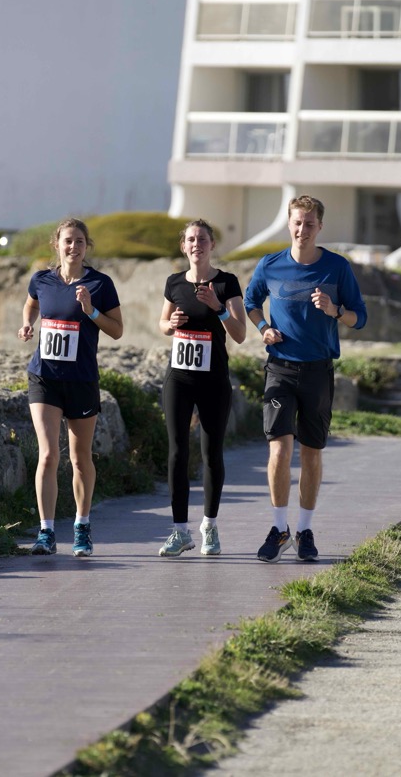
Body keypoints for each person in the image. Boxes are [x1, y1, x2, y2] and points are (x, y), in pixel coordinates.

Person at [243, 195, 368, 563]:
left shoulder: (337, 267)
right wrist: (263, 328)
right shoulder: (270, 264)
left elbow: (360, 317)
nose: (302, 230)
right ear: (289, 223)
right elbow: (251, 303)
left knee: (311, 453)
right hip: (280, 368)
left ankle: (305, 530)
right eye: (297, 223)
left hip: (318, 370)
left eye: (309, 224)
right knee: (279, 450)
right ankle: (279, 528)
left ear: (320, 227)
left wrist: (335, 310)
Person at [17, 218, 123, 557]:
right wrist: (27, 324)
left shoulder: (100, 283)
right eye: (68, 240)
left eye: (79, 241)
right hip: (44, 377)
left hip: (81, 380)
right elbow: (31, 303)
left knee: (79, 459)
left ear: (86, 246)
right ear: (57, 244)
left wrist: (91, 311)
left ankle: (82, 525)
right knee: (48, 454)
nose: (73, 246)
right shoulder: (42, 279)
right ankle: (46, 532)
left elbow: (117, 330)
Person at [156, 220, 247, 557]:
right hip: (179, 377)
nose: (197, 244)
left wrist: (218, 308)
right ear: (184, 246)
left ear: (212, 245)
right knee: (177, 452)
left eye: (203, 239)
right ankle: (180, 531)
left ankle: (209, 526)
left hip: (213, 379)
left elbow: (240, 334)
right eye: (191, 240)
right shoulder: (174, 282)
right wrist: (171, 325)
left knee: (211, 453)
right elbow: (163, 323)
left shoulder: (226, 283)